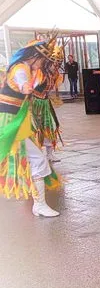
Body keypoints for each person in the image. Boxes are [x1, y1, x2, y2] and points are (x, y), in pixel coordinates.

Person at [0, 35, 61, 217]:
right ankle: (39, 205)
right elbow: (22, 82)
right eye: (42, 60)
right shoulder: (21, 68)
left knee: (36, 159)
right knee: (35, 159)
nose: (43, 64)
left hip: (15, 120)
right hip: (10, 122)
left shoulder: (26, 68)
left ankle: (39, 204)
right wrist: (26, 86)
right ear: (35, 56)